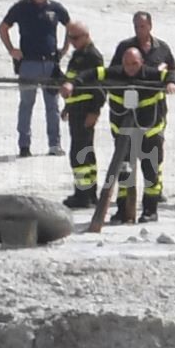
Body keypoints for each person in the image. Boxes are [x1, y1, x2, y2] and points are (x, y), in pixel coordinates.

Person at [61, 47, 175, 223]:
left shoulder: (151, 74)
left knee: (151, 173)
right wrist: (72, 83)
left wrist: (171, 83)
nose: (130, 67)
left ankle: (149, 210)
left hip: (150, 132)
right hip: (123, 133)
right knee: (124, 172)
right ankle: (123, 211)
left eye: (134, 64)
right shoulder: (115, 73)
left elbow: (172, 75)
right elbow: (91, 73)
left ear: (141, 63)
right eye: (126, 63)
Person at [0, 0, 71, 158]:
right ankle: (24, 145)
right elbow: (3, 27)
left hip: (50, 65)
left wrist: (64, 49)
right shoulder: (21, 7)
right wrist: (11, 49)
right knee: (26, 105)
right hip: (28, 64)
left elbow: (70, 27)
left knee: (52, 106)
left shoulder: (55, 8)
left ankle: (54, 145)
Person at [111, 11, 175, 201]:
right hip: (127, 112)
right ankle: (125, 197)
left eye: (142, 26)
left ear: (150, 26)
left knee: (154, 155)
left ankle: (155, 191)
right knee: (126, 155)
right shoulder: (125, 47)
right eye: (136, 26)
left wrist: (168, 79)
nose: (139, 30)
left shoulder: (162, 48)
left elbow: (173, 69)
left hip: (154, 111)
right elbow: (114, 72)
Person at [60, 21, 105, 209]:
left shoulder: (92, 56)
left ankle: (85, 194)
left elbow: (100, 87)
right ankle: (86, 192)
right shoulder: (78, 55)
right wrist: (67, 107)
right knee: (81, 152)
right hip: (76, 110)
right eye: (69, 38)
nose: (72, 42)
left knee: (81, 154)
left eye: (76, 38)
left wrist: (95, 111)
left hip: (86, 110)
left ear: (87, 37)